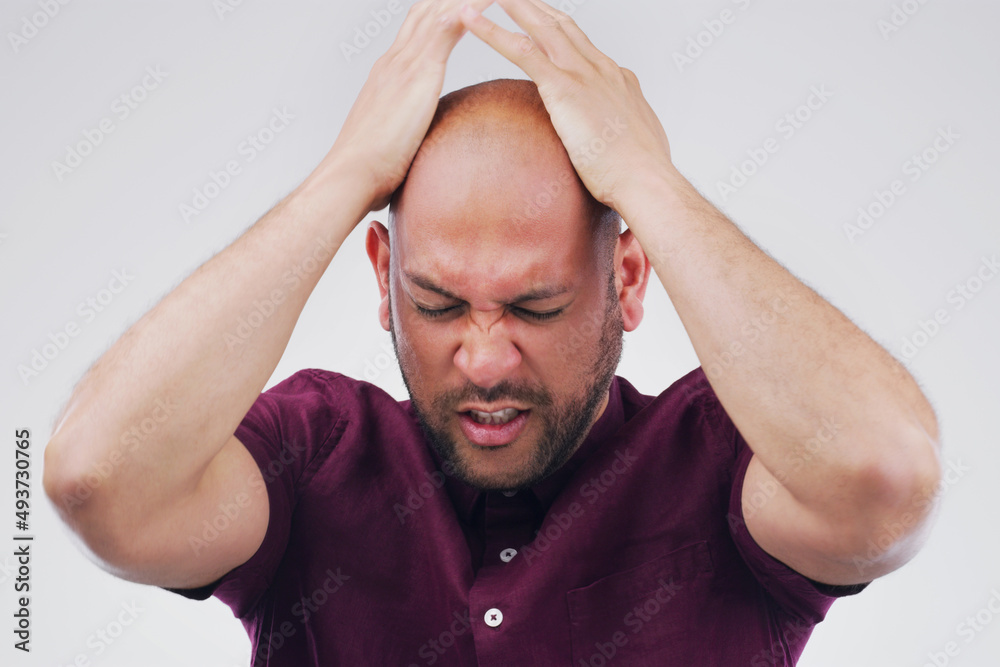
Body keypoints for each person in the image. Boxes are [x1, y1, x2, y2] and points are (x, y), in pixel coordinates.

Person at [43, 0, 942, 664]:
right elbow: (99, 478)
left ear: (627, 279)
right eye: (437, 304)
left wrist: (647, 181)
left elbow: (885, 475)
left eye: (534, 308)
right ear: (383, 284)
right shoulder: (316, 455)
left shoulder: (724, 459)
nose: (483, 360)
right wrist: (346, 174)